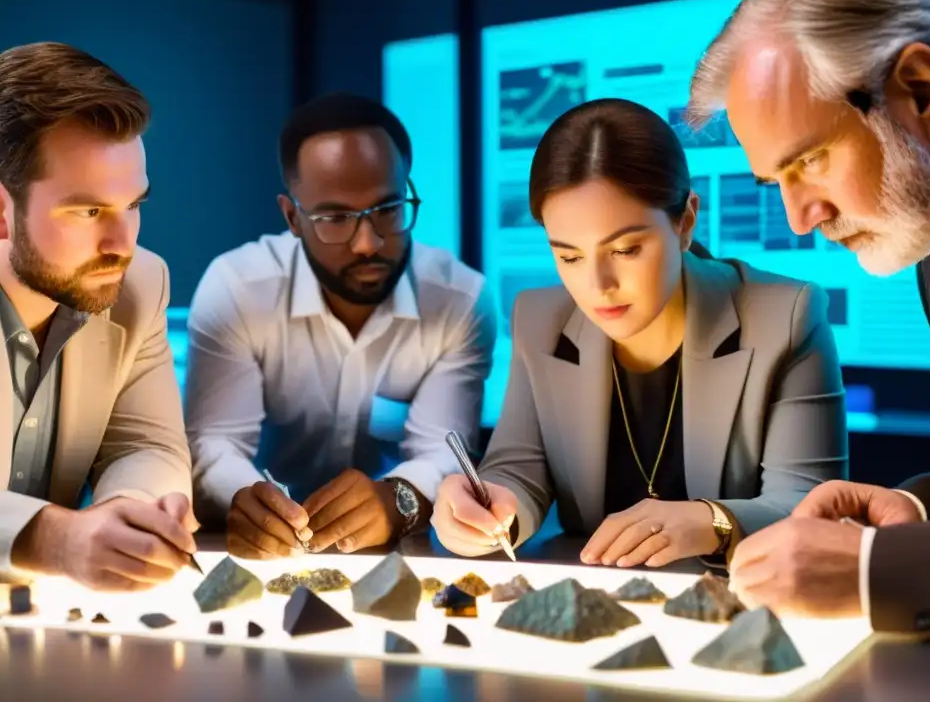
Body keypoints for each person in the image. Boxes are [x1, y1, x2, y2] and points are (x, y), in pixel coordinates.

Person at [686, 0, 930, 636]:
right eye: (776, 181)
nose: (801, 216)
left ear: (922, 92)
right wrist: (915, 514)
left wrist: (874, 571)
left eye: (810, 160)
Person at [431, 98, 848, 567]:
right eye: (569, 257)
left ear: (685, 221)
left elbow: (810, 504)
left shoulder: (786, 317)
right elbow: (518, 469)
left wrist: (712, 521)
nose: (598, 287)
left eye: (627, 249)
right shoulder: (539, 318)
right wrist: (489, 510)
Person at [186, 93, 497, 560]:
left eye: (388, 209)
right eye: (334, 217)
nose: (368, 244)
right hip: (262, 556)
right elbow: (213, 444)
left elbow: (443, 451)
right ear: (292, 217)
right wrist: (249, 500)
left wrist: (397, 498)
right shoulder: (238, 289)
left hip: (401, 555)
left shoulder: (461, 300)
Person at [0, 41, 197, 589]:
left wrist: (131, 513)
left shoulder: (139, 285)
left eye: (133, 205)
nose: (122, 244)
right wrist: (57, 539)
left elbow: (147, 445)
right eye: (88, 211)